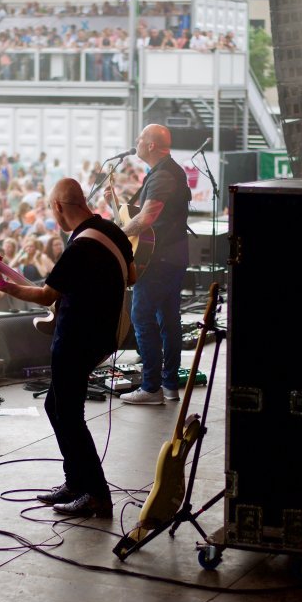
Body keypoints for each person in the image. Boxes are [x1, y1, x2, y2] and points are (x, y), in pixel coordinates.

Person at [0, 177, 134, 519]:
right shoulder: (112, 231)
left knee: (69, 414)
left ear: (58, 207)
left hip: (75, 339)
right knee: (56, 406)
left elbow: (46, 295)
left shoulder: (79, 247)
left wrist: (5, 286)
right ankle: (75, 483)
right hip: (102, 335)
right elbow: (131, 276)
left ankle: (97, 495)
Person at [114, 123, 189, 405]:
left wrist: (118, 235)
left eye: (141, 137)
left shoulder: (163, 175)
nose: (136, 140)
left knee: (142, 317)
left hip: (160, 261)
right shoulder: (165, 171)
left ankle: (151, 388)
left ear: (151, 145)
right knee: (168, 320)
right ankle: (169, 385)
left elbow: (146, 218)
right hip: (173, 257)